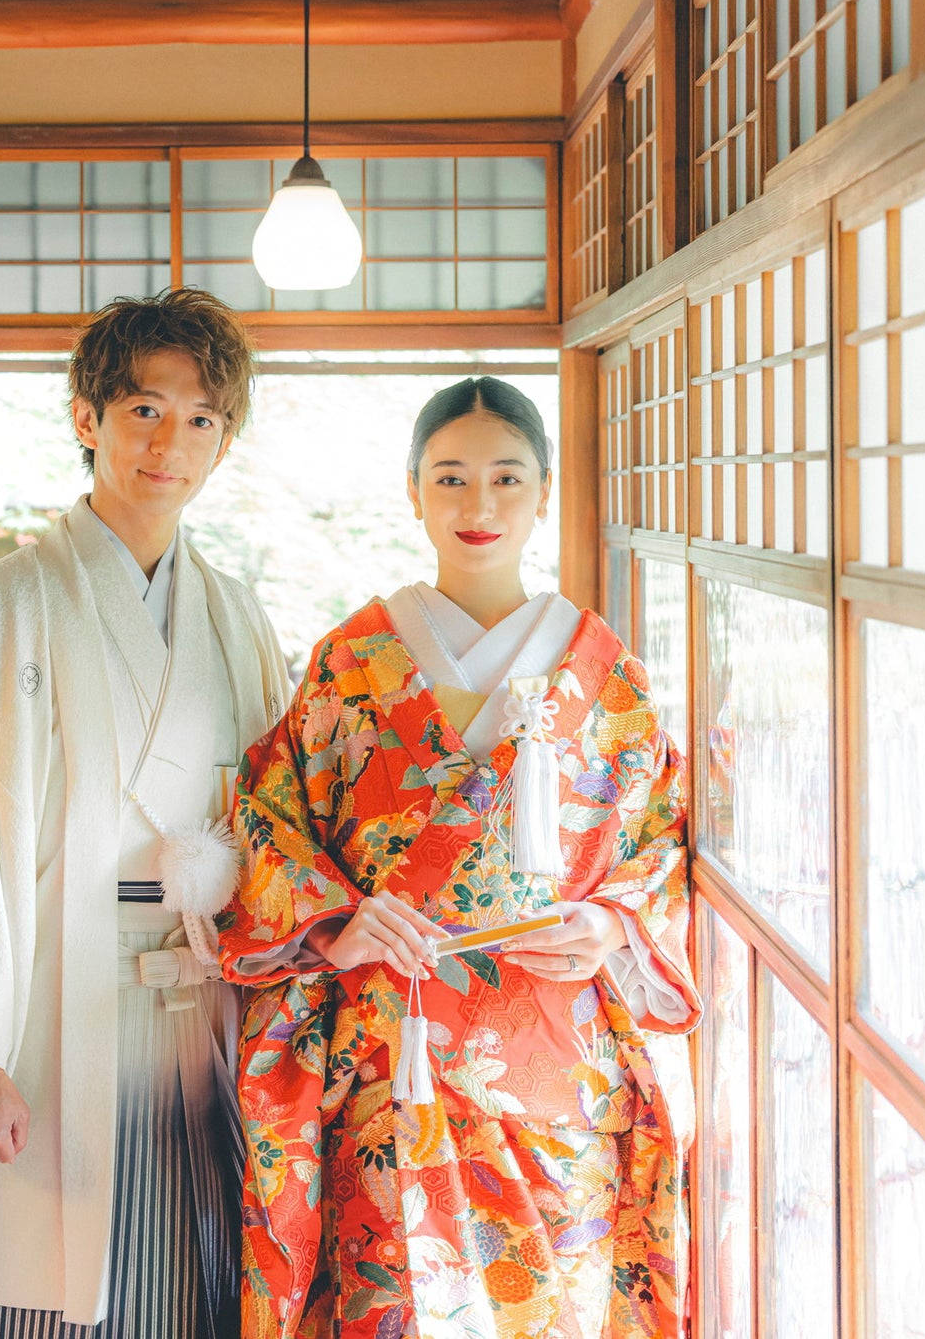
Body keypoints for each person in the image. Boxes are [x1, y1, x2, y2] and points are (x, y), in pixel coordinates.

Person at [220, 377, 700, 1339]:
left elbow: (660, 840)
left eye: (505, 479)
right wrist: (337, 920)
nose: (478, 507)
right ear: (412, 491)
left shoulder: (608, 674)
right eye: (450, 478)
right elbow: (266, 819)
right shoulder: (350, 661)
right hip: (388, 1060)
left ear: (544, 489)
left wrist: (611, 922)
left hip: (557, 1068)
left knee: (552, 1308)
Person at [0, 289, 290, 1338]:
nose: (170, 441)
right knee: (52, 1288)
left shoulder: (235, 613)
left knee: (194, 1278)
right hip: (50, 1013)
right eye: (144, 408)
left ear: (223, 441)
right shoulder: (5, 608)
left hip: (204, 1013)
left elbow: (281, 820)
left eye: (201, 419)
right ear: (86, 417)